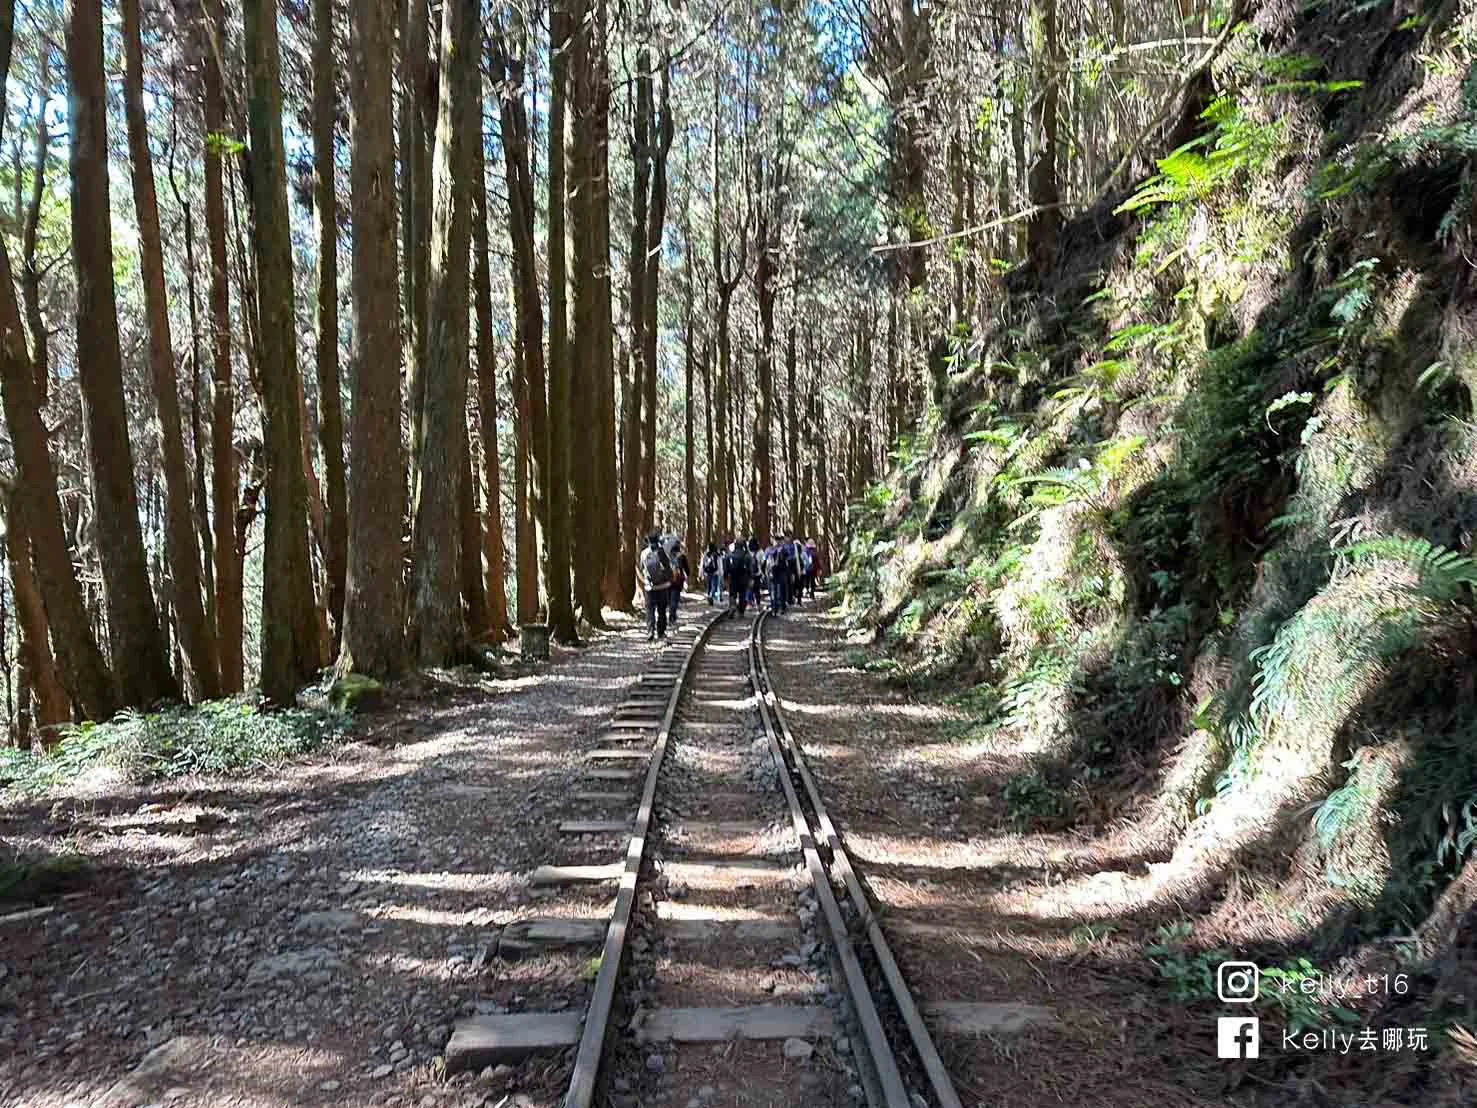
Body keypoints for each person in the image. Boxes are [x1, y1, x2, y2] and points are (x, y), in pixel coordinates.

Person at [637, 533, 673, 640]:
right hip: (663, 586)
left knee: (650, 610)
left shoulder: (644, 553)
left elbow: (641, 567)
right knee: (662, 610)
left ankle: (650, 631)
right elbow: (668, 567)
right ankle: (661, 632)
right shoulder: (663, 551)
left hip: (649, 587)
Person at [725, 538, 752, 616]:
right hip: (743, 577)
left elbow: (726, 567)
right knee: (742, 594)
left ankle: (732, 605)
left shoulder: (730, 555)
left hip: (733, 577)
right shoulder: (747, 555)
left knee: (732, 593)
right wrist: (750, 578)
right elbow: (750, 568)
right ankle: (741, 611)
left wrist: (726, 577)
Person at [669, 540, 690, 626]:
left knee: (670, 599)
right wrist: (687, 575)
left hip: (668, 580)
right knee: (675, 599)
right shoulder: (681, 556)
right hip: (678, 581)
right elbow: (687, 569)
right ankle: (672, 616)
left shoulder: (668, 556)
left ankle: (672, 616)